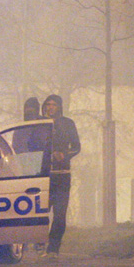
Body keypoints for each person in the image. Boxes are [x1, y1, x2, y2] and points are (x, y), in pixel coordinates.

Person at [41, 94, 80, 256]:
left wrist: (65, 154)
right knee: (41, 212)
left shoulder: (67, 124)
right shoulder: (41, 125)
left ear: (59, 107)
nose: (51, 108)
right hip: (43, 175)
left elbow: (77, 146)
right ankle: (38, 243)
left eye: (54, 105)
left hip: (62, 175)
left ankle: (53, 248)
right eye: (48, 105)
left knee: (59, 213)